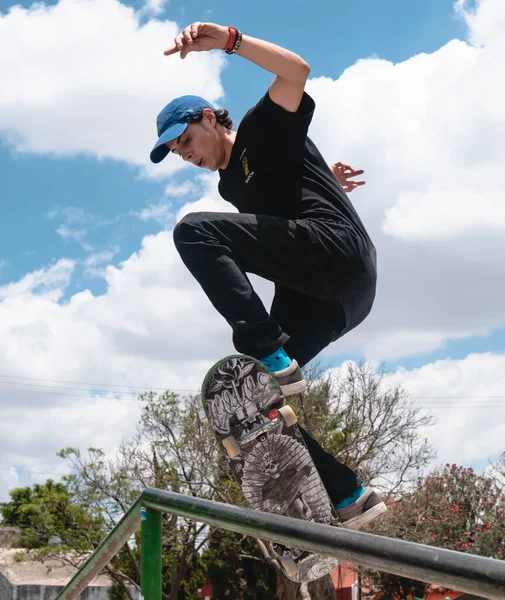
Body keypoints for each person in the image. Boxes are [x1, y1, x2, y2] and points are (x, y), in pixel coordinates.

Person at [150, 22, 387, 530]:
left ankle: (269, 351)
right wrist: (328, 177)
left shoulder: (264, 126)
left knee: (194, 232)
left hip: (337, 255)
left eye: (187, 140)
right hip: (334, 298)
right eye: (177, 152)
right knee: (252, 399)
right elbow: (284, 200)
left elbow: (296, 70)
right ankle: (348, 495)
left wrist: (231, 41)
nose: (186, 155)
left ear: (211, 119)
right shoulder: (229, 188)